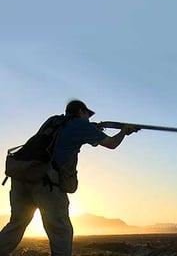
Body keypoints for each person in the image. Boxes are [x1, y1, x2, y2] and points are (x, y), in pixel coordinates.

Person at [0, 100, 139, 256]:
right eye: (87, 114)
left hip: (22, 175)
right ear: (80, 111)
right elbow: (112, 143)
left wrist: (92, 129)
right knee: (61, 230)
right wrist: (124, 132)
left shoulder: (53, 121)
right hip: (46, 181)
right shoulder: (80, 125)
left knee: (16, 224)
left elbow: (63, 139)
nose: (89, 119)